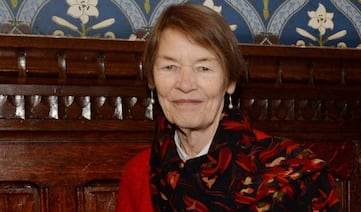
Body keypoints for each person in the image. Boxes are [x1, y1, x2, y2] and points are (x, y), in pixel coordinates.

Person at [116, 3, 341, 212]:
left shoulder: (298, 176)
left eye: (203, 68)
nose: (185, 84)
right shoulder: (138, 174)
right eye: (169, 66)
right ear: (151, 80)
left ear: (230, 81)